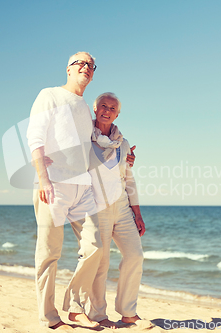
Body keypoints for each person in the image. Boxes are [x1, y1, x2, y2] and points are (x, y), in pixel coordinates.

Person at [26, 52, 103, 330]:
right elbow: (34, 136)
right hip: (53, 185)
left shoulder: (84, 107)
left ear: (93, 73)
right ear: (68, 69)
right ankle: (49, 317)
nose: (85, 67)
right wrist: (43, 180)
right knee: (49, 253)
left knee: (95, 245)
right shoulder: (50, 95)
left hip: (82, 188)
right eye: (80, 63)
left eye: (90, 65)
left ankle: (73, 308)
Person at [87, 92, 146, 327]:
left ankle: (128, 311)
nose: (107, 110)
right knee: (100, 263)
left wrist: (138, 213)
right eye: (103, 105)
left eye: (112, 108)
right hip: (95, 205)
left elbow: (128, 177)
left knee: (134, 255)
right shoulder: (84, 137)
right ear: (95, 108)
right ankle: (97, 314)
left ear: (117, 113)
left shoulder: (122, 142)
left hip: (121, 206)